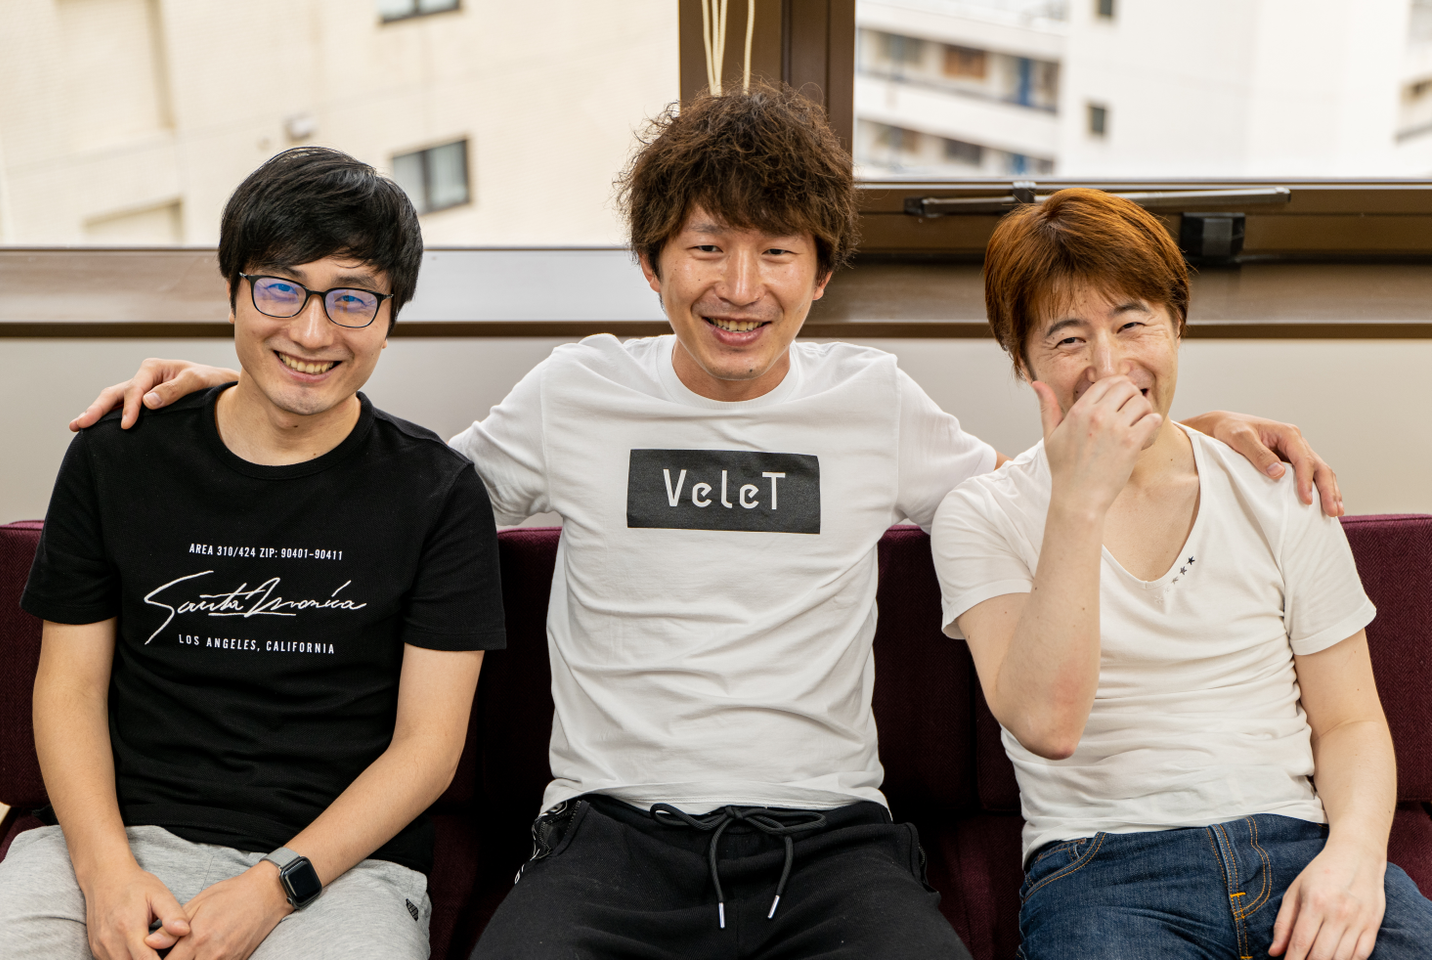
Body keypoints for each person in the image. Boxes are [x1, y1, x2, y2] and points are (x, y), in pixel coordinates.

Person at [72, 86, 1340, 959]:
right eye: (707, 248)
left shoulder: (875, 402)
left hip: (830, 842)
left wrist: (1185, 425)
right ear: (652, 264)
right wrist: (241, 391)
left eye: (778, 253)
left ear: (821, 273)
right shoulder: (577, 390)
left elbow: (1037, 477)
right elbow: (396, 497)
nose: (742, 289)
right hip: (608, 834)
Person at [0, 147, 506, 960]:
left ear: (390, 315)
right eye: (279, 288)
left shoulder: (437, 493)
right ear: (232, 290)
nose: (311, 331)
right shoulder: (119, 456)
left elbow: (428, 749)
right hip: (112, 842)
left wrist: (274, 888)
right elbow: (68, 688)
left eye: (352, 299)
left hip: (336, 872)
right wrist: (107, 871)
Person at [931, 188, 1432, 960]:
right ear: (1023, 361)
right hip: (1104, 870)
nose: (1108, 367)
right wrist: (1079, 503)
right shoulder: (983, 515)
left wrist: (1356, 861)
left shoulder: (1274, 483)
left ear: (1176, 325)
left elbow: (1351, 722)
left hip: (1297, 844)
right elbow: (1048, 727)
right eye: (1068, 339)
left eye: (1133, 324)